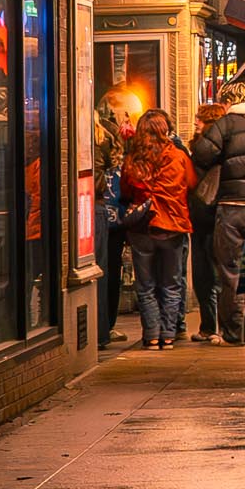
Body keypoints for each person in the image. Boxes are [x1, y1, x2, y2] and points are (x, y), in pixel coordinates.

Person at [193, 82, 245, 344]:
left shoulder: (227, 124)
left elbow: (203, 153)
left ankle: (232, 333)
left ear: (228, 102)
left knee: (231, 271)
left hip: (232, 207)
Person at [119, 108, 197, 349]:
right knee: (171, 284)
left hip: (142, 228)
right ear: (167, 130)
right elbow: (192, 183)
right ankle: (169, 334)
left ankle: (152, 335)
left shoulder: (133, 159)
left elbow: (125, 190)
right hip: (172, 225)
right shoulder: (178, 156)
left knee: (146, 285)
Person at [94, 87, 138, 345]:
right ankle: (104, 327)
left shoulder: (100, 134)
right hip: (107, 210)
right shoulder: (107, 136)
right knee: (108, 269)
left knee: (105, 267)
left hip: (96, 208)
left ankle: (101, 328)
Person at [187, 101, 226, 343]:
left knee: (211, 274)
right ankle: (211, 325)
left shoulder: (205, 150)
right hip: (208, 216)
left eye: (200, 120)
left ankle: (213, 326)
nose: (195, 124)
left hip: (209, 216)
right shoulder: (202, 148)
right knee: (209, 275)